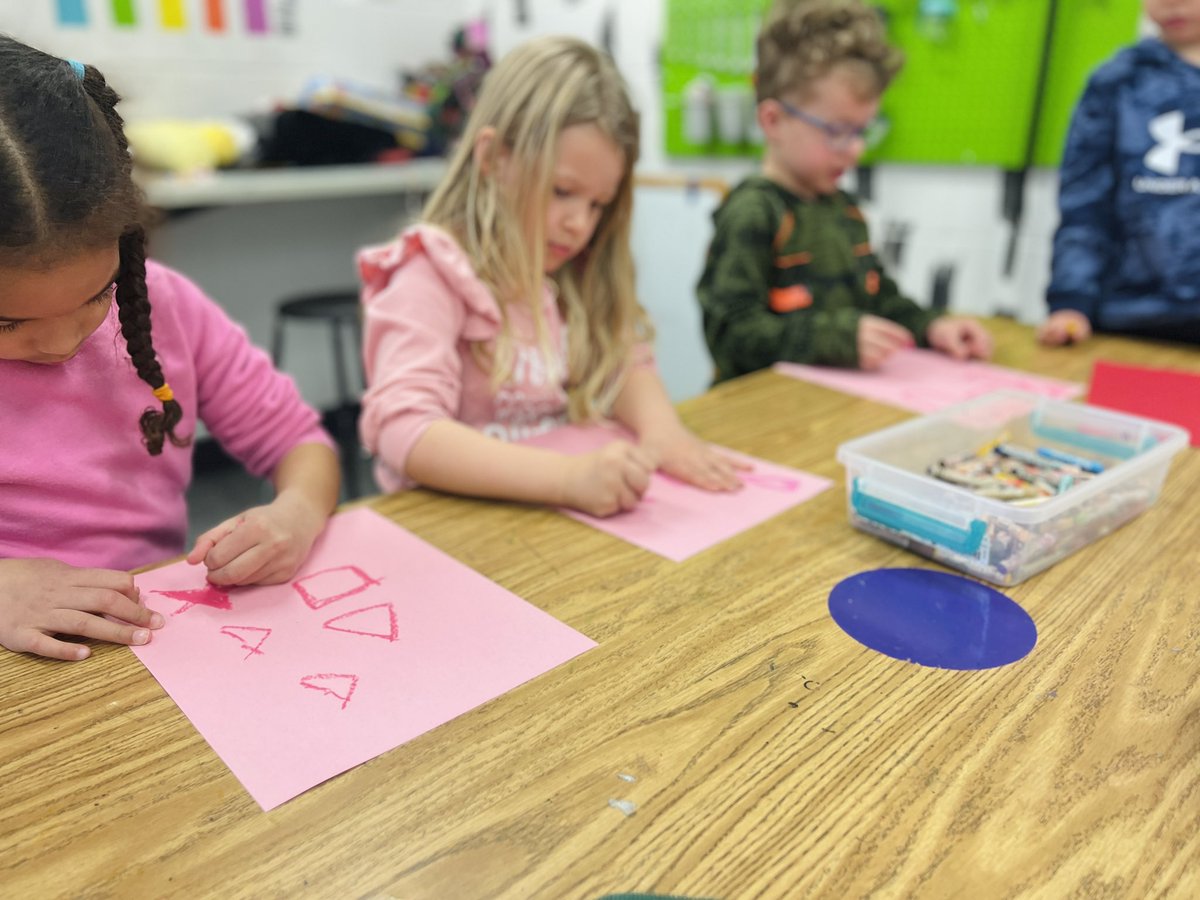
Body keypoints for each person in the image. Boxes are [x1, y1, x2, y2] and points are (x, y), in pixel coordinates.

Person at [0, 36, 340, 661]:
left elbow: (299, 441)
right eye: (7, 323)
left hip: (152, 641)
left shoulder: (166, 307)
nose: (63, 341)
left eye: (98, 294)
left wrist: (296, 514)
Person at [359, 36, 744, 516]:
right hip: (447, 525)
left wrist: (663, 433)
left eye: (598, 204)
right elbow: (403, 429)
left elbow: (623, 360)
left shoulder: (569, 269)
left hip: (546, 526)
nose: (580, 224)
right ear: (493, 158)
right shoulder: (429, 273)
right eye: (562, 191)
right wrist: (566, 480)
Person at [697, 0, 992, 380]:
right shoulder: (754, 211)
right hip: (762, 407)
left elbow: (879, 298)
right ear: (773, 121)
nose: (856, 149)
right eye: (837, 131)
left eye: (862, 130)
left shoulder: (845, 210)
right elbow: (729, 334)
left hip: (833, 402)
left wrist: (931, 326)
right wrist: (833, 339)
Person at [1040, 0, 1200, 346]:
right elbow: (1084, 207)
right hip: (1130, 316)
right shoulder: (1116, 81)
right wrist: (1071, 301)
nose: (1172, 3)